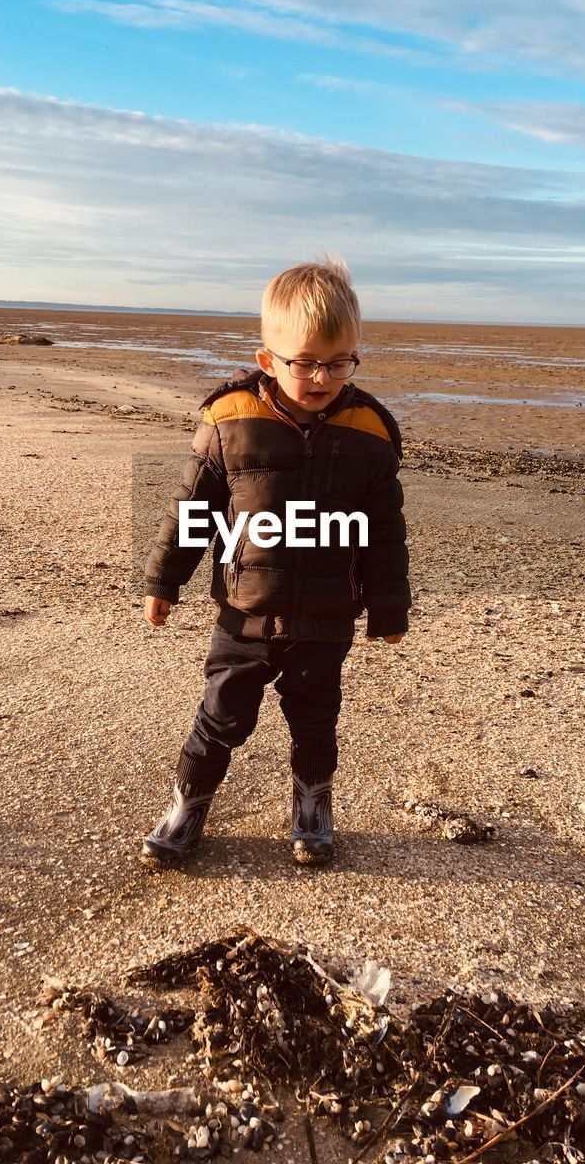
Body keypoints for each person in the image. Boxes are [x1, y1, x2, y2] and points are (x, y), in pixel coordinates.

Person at [141, 258, 410, 865]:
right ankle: (189, 800)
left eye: (338, 362)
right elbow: (192, 510)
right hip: (245, 611)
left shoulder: (368, 432)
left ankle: (312, 800)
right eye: (305, 361)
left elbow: (384, 531)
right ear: (268, 358)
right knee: (220, 716)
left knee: (315, 718)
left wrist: (388, 605)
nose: (321, 376)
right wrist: (164, 579)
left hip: (326, 616)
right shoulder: (231, 421)